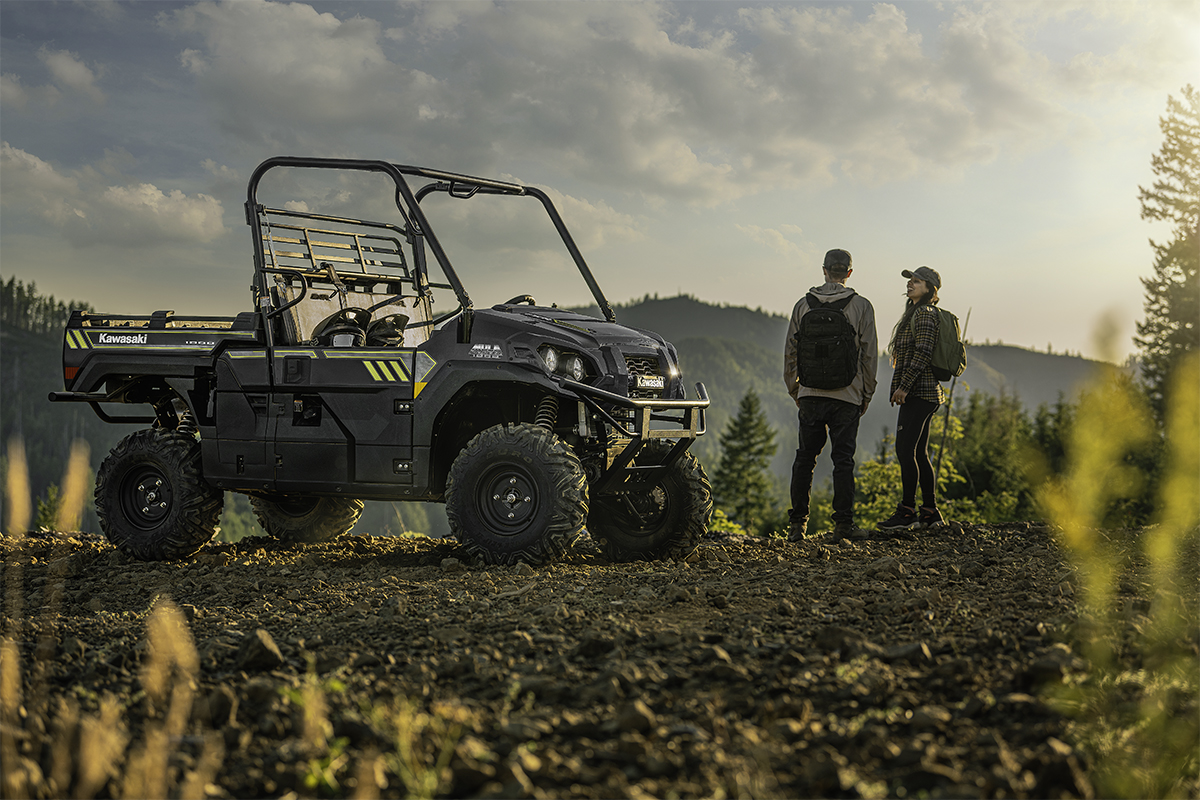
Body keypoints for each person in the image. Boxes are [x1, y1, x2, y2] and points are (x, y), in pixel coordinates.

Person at [783, 248, 878, 541]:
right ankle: (843, 526)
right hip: (847, 395)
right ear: (849, 273)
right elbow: (869, 354)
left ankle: (797, 525)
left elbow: (790, 351)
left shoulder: (803, 305)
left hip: (810, 393)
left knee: (804, 458)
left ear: (823, 270)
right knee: (843, 460)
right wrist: (866, 393)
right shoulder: (862, 306)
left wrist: (795, 388)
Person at [878, 266, 945, 531]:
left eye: (917, 282)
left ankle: (907, 512)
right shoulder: (915, 313)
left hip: (920, 393)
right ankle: (929, 512)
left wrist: (904, 387)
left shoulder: (926, 314)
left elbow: (923, 353)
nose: (911, 284)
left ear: (930, 289)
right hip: (923, 393)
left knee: (905, 451)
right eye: (910, 281)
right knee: (918, 452)